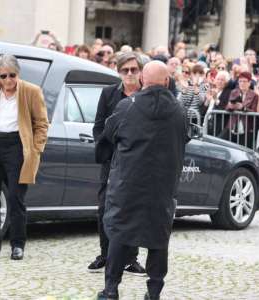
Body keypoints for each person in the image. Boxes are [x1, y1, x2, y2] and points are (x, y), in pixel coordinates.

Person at [97, 61, 187, 300]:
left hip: (129, 184)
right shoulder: (179, 111)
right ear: (167, 82)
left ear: (142, 81)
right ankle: (154, 291)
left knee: (120, 233)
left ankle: (111, 289)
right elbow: (185, 138)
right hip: (163, 186)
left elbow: (108, 135)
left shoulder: (127, 107)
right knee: (158, 237)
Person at [0, 54, 49, 260]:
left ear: (18, 73)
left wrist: (36, 148)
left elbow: (42, 124)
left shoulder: (31, 91)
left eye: (11, 75)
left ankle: (17, 244)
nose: (8, 81)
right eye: (3, 76)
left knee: (15, 197)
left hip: (17, 146)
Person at [90, 52, 146, 275]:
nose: (130, 74)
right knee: (105, 207)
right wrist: (104, 149)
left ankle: (131, 258)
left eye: (134, 69)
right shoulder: (108, 94)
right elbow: (98, 127)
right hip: (112, 161)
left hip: (138, 162)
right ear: (119, 71)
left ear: (140, 71)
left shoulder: (146, 94)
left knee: (133, 209)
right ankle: (106, 254)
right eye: (125, 70)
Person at [223, 71, 259, 149]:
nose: (242, 83)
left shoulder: (254, 95)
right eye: (240, 81)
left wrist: (243, 108)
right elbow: (226, 108)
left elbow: (255, 112)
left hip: (246, 127)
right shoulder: (234, 92)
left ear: (249, 83)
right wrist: (231, 107)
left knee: (243, 150)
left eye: (244, 81)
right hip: (232, 126)